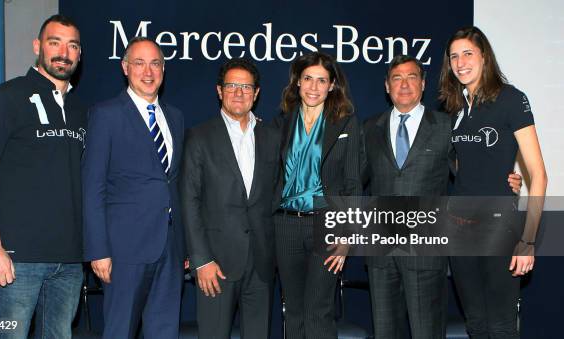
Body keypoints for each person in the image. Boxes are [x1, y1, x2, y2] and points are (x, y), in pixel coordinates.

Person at [0, 15, 85, 339]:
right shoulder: (5, 98)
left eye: (72, 45)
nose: (64, 52)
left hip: (70, 262)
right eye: (54, 42)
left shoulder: (81, 110)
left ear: (79, 54)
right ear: (37, 47)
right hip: (17, 262)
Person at [439, 26, 547, 339]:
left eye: (468, 54)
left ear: (484, 57)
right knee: (475, 323)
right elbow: (460, 161)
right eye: (454, 57)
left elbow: (539, 174)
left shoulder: (511, 99)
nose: (460, 63)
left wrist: (527, 241)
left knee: (500, 326)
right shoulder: (455, 106)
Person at [82, 37, 185, 338]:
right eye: (139, 63)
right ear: (125, 68)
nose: (148, 71)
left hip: (170, 248)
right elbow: (93, 186)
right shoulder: (106, 114)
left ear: (163, 69)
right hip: (123, 250)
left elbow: (173, 184)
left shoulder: (174, 117)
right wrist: (98, 250)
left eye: (155, 63)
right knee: (120, 331)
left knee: (165, 331)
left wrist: (184, 245)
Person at [181, 58, 280, 338]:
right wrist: (201, 260)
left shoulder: (271, 136)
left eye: (246, 87)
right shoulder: (199, 137)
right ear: (219, 90)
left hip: (261, 263)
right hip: (216, 264)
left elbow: (274, 195)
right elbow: (189, 200)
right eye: (232, 86)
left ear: (256, 93)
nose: (239, 93)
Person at [361, 55, 450, 338]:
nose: (404, 84)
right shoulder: (369, 128)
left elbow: (470, 176)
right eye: (397, 78)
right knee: (385, 331)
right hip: (381, 252)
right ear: (387, 86)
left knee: (427, 332)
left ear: (423, 84)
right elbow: (353, 182)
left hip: (425, 250)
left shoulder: (446, 127)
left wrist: (504, 180)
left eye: (412, 77)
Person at [273, 51, 361, 339]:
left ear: (332, 85)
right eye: (308, 78)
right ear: (297, 82)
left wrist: (348, 237)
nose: (313, 87)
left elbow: (352, 183)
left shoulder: (345, 122)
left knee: (318, 310)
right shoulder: (281, 122)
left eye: (321, 80)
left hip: (327, 223)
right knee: (294, 310)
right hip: (285, 224)